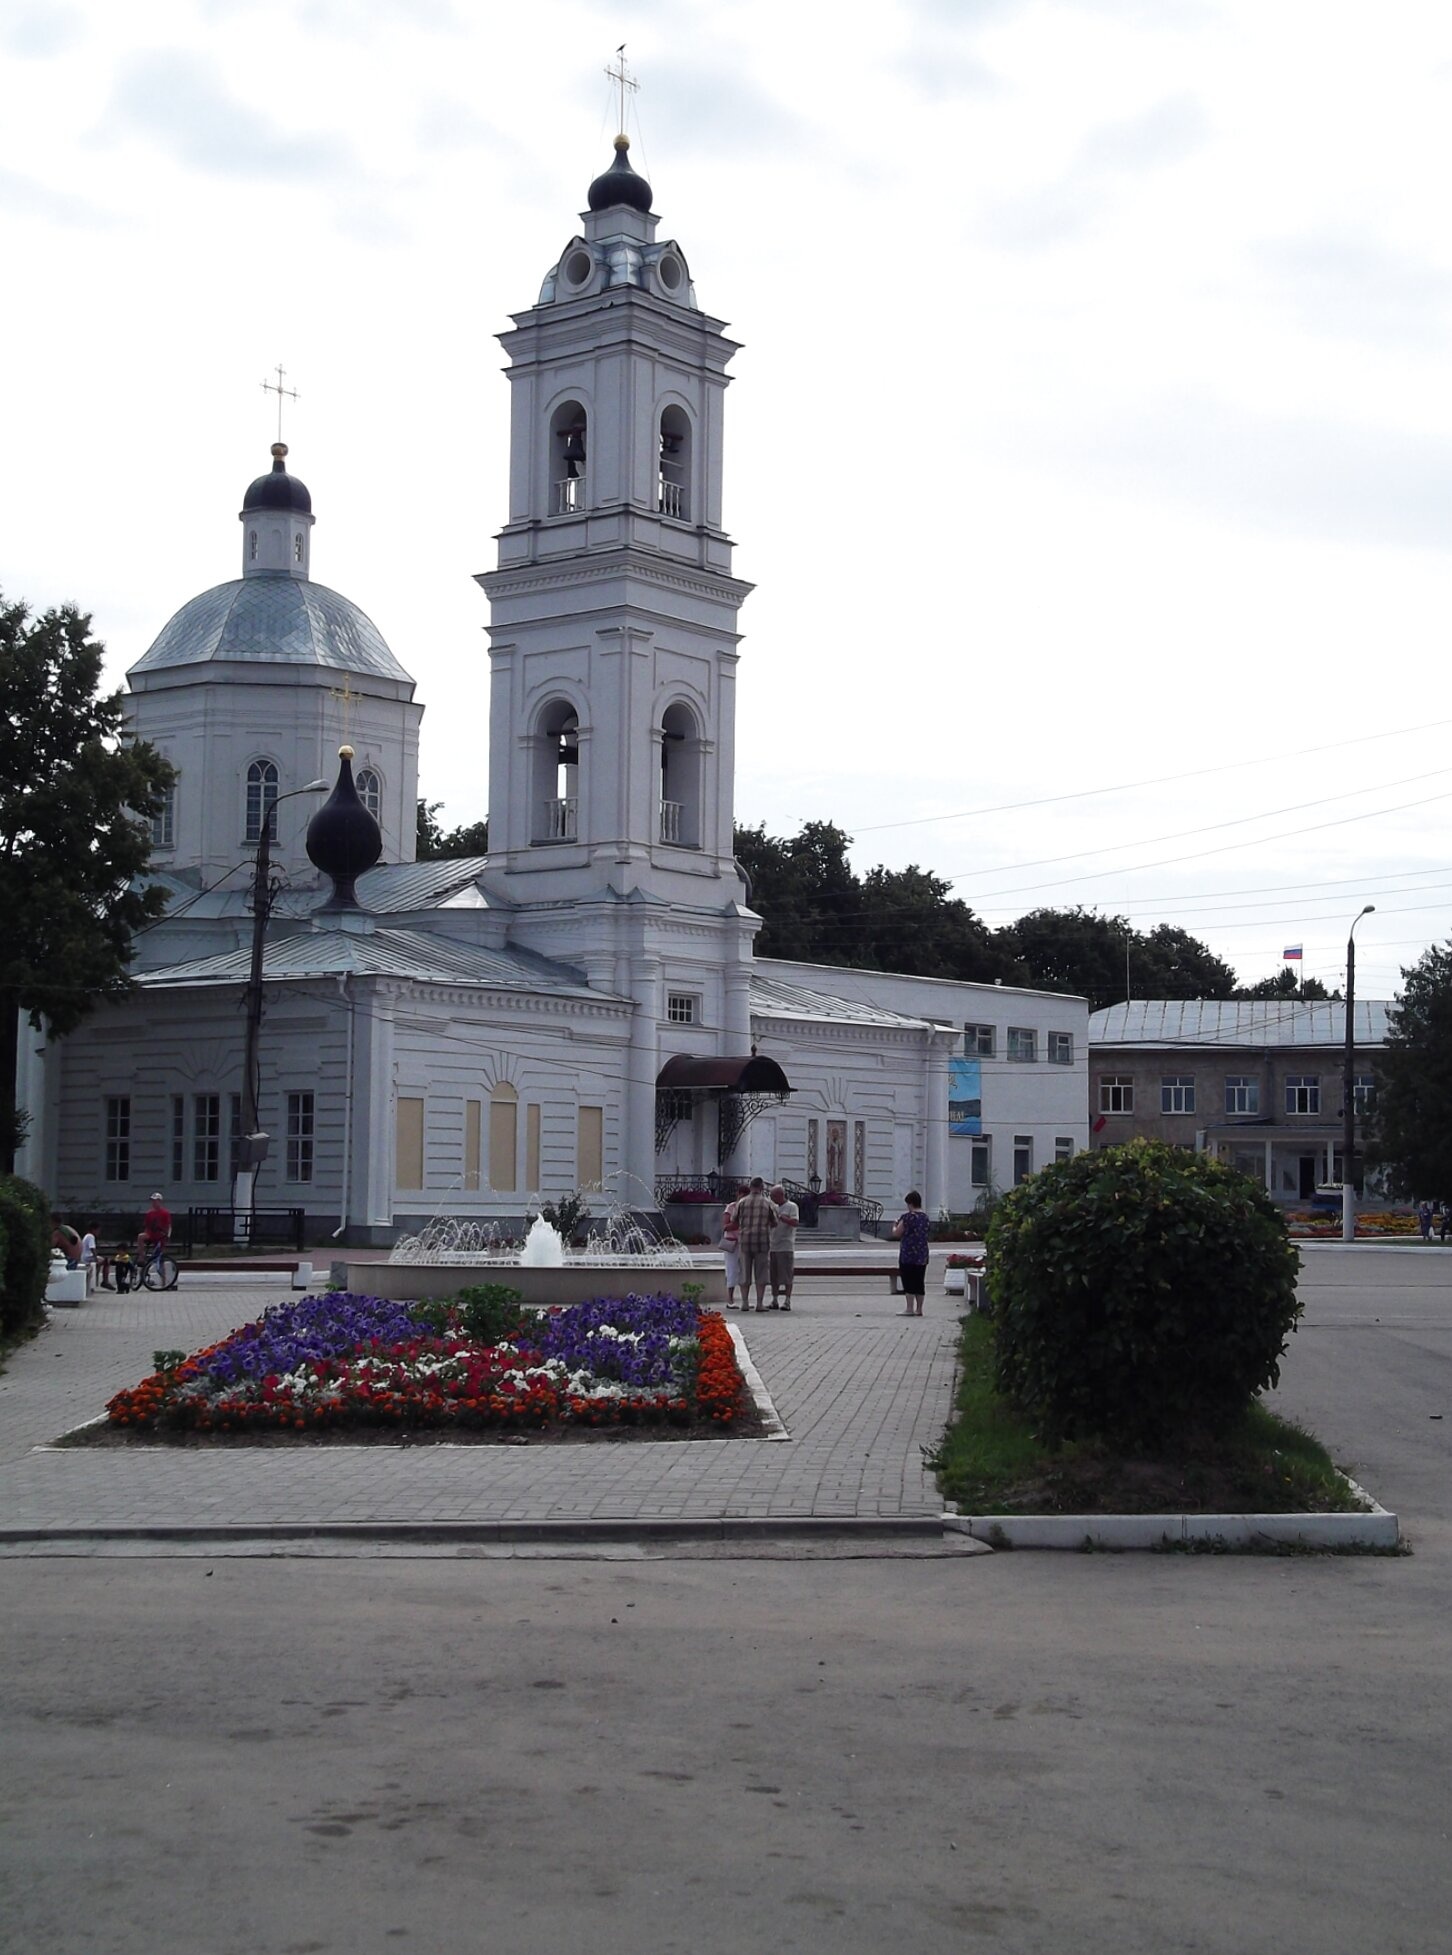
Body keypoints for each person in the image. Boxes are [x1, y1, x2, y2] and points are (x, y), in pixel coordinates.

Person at [733, 1176, 776, 1313]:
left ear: (750, 1187)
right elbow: (775, 1222)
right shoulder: (768, 1203)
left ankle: (745, 1302)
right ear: (762, 1188)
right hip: (762, 1241)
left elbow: (734, 1219)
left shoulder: (742, 1202)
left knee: (744, 1272)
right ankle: (759, 1303)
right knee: (761, 1272)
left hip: (745, 1240)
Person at [892, 1189, 931, 1316]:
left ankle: (909, 1308)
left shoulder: (907, 1217)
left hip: (908, 1253)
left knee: (908, 1280)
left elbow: (897, 1233)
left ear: (910, 1203)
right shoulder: (925, 1218)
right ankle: (919, 1309)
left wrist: (894, 1225)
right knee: (919, 1281)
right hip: (922, 1253)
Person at [768, 1183, 799, 1310]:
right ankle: (774, 1299)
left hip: (786, 1246)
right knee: (773, 1275)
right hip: (773, 1245)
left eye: (773, 1196)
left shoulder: (792, 1207)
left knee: (786, 1274)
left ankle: (787, 1300)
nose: (771, 1198)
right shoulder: (772, 1207)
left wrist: (782, 1217)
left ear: (781, 1195)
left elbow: (795, 1222)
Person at [722, 1195, 743, 1309]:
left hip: (744, 1242)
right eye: (742, 1195)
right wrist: (737, 1224)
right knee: (732, 1269)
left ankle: (745, 1299)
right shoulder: (731, 1207)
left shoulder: (748, 1207)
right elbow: (725, 1226)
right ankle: (730, 1298)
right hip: (731, 1242)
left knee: (744, 1270)